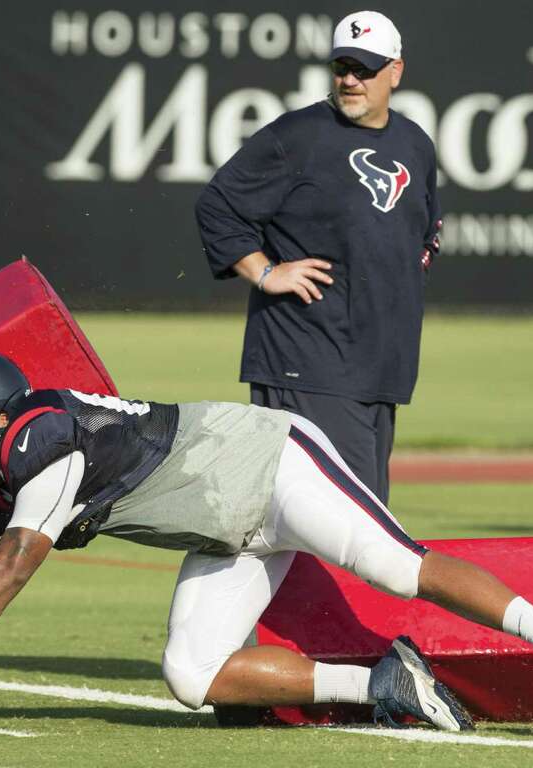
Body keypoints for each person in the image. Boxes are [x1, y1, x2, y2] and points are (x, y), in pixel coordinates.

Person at [0, 351, 533, 731]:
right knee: (190, 676)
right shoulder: (2, 464)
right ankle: (384, 679)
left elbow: (12, 564)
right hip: (229, 524)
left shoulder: (42, 438)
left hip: (274, 467)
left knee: (395, 563)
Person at [195, 10, 442, 505]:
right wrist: (264, 272)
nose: (350, 79)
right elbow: (217, 205)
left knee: (354, 525)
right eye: (341, 66)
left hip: (378, 366)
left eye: (364, 68)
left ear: (395, 71)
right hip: (307, 360)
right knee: (343, 525)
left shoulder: (414, 143)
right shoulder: (299, 135)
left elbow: (423, 229)